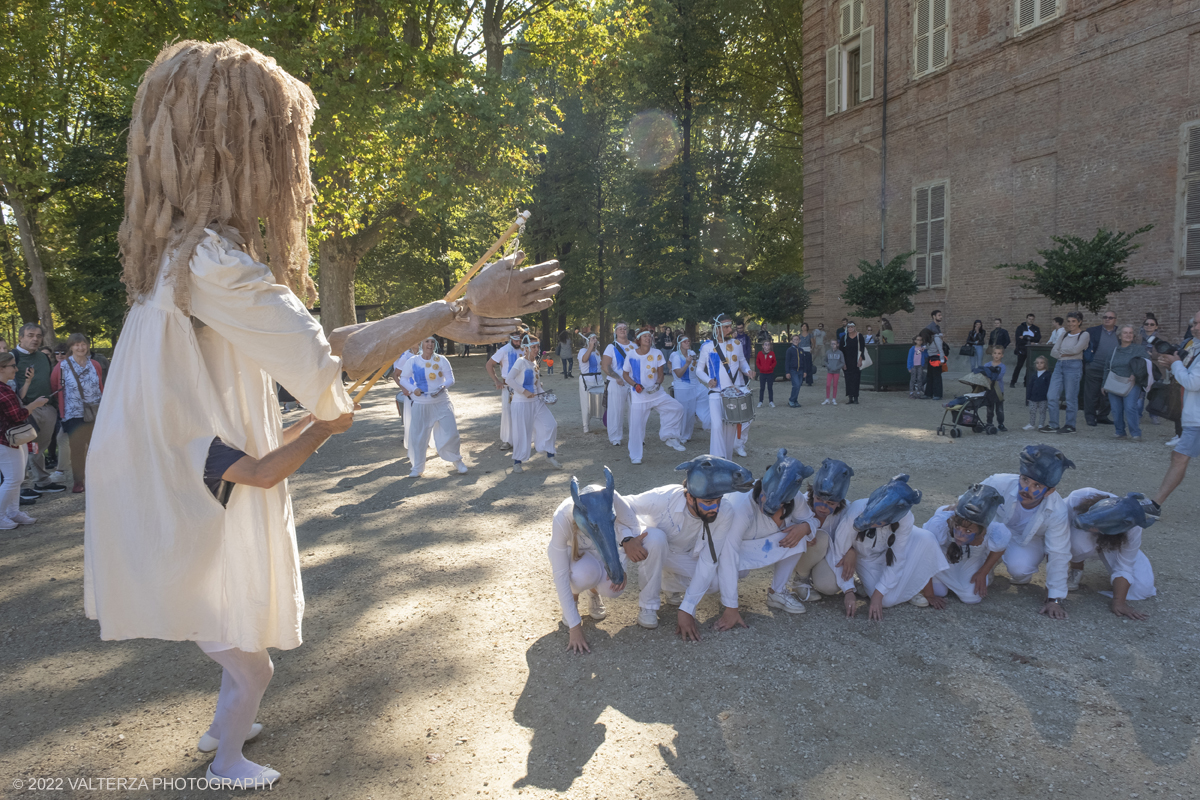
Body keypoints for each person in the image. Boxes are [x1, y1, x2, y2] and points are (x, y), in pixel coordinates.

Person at [86, 41, 561, 790]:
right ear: (242, 149)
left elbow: (322, 345)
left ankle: (228, 722)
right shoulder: (217, 265)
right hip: (175, 474)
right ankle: (230, 750)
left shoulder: (186, 259)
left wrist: (435, 320)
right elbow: (325, 363)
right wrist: (459, 305)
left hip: (158, 467)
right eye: (278, 144)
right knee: (236, 627)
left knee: (230, 609)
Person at [621, 455, 755, 640]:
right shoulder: (664, 497)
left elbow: (709, 560)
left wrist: (687, 608)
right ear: (690, 497)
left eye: (718, 500)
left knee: (715, 582)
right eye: (708, 502)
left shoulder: (724, 511)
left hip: (682, 554)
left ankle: (668, 584)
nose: (714, 508)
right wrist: (626, 538)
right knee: (656, 538)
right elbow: (623, 504)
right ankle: (648, 605)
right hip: (653, 547)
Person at [549, 467, 651, 652]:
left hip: (602, 551)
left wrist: (620, 564)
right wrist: (575, 627)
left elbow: (632, 527)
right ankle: (574, 599)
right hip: (577, 557)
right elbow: (560, 573)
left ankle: (594, 594)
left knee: (614, 590)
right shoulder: (562, 517)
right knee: (583, 575)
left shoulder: (613, 498)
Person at [826, 474, 949, 620]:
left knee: (927, 539)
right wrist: (848, 590)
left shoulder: (905, 517)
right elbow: (838, 552)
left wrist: (878, 595)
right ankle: (909, 587)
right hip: (866, 557)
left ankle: (912, 587)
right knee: (887, 600)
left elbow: (897, 558)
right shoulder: (856, 510)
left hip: (887, 552)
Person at [983, 444, 1076, 619]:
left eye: (1037, 485)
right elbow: (966, 506)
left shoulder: (1058, 511)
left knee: (1020, 569)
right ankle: (987, 565)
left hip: (1027, 540)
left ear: (1050, 491)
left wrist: (1054, 599)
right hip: (993, 532)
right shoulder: (998, 482)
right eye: (1025, 480)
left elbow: (1059, 552)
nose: (1027, 489)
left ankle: (1018, 571)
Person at [1065, 490, 1156, 620]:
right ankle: (1076, 567)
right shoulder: (1078, 497)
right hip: (1077, 535)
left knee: (1142, 588)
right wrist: (1052, 595)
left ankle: (1101, 546)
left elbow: (1125, 566)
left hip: (1112, 541)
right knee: (1080, 545)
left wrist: (1119, 602)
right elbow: (1054, 535)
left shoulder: (1133, 525)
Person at [1147, 309, 1200, 516]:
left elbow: (1192, 382)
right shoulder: (1194, 346)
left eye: (1197, 324)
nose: (1194, 327)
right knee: (1179, 456)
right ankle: (1155, 505)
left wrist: (1175, 363)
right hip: (1195, 417)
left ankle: (1155, 505)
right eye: (1194, 323)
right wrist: (1171, 363)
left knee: (1179, 457)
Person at [924, 484, 1009, 605]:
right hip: (942, 560)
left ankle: (985, 573)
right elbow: (926, 558)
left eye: (968, 531)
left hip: (971, 560)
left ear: (983, 530)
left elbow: (1000, 547)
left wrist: (983, 571)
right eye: (957, 527)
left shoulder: (994, 531)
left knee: (971, 598)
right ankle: (945, 509)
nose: (959, 535)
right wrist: (929, 595)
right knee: (939, 592)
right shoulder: (939, 526)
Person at [399, 336, 468, 478]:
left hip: (442, 401)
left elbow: (450, 379)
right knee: (419, 436)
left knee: (451, 432)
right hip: (421, 403)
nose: (429, 344)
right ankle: (418, 467)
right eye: (426, 341)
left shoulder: (441, 359)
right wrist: (413, 389)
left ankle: (456, 460)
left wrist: (442, 386)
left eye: (432, 342)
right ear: (421, 344)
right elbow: (403, 379)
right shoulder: (412, 361)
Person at [789, 458, 855, 601]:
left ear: (840, 502)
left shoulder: (847, 511)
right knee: (820, 537)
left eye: (831, 503)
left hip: (827, 555)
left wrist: (852, 551)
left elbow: (855, 536)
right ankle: (800, 579)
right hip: (800, 554)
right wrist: (802, 536)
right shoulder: (800, 504)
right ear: (813, 493)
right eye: (819, 499)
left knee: (830, 587)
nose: (823, 507)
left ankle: (813, 575)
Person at [13, 323, 64, 496]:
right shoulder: (12, 357)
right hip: (26, 410)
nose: (35, 339)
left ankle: (42, 482)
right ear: (21, 337)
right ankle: (21, 486)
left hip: (47, 408)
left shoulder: (43, 358)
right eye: (30, 335)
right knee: (24, 449)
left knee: (39, 448)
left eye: (38, 336)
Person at [49, 333, 104, 493]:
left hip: (95, 412)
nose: (80, 348)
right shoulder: (62, 367)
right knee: (77, 449)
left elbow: (100, 384)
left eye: (83, 344)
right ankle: (79, 481)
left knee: (97, 447)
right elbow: (54, 386)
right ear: (71, 347)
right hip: (73, 414)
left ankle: (99, 478)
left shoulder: (95, 364)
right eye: (76, 345)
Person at [623, 328, 686, 464]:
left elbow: (661, 373)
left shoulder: (657, 353)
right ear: (639, 339)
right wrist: (635, 385)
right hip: (639, 396)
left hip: (657, 393)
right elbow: (625, 375)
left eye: (650, 336)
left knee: (677, 408)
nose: (648, 338)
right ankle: (635, 455)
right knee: (636, 426)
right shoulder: (631, 355)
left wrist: (657, 384)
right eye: (645, 336)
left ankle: (669, 436)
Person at [0, 351, 48, 527]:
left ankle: (12, 512)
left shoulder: (5, 387)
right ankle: (1, 515)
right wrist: (35, 404)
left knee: (16, 479)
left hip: (13, 439)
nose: (16, 368)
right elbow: (17, 415)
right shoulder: (2, 390)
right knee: (13, 479)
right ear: (2, 368)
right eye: (13, 365)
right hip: (5, 440)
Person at [697, 315, 753, 459]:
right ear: (717, 328)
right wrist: (708, 380)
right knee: (716, 427)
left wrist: (748, 371)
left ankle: (727, 459)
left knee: (730, 428)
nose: (730, 329)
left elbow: (742, 362)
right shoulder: (707, 347)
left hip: (733, 393)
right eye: (726, 327)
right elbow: (699, 370)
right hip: (715, 392)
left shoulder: (736, 344)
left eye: (730, 326)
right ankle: (717, 459)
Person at [505, 335, 562, 473]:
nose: (537, 349)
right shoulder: (520, 362)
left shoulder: (535, 364)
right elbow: (509, 379)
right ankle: (517, 461)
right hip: (521, 403)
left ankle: (549, 454)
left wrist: (546, 397)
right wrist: (524, 391)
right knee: (522, 433)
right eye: (533, 347)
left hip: (536, 402)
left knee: (551, 424)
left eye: (538, 346)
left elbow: (537, 386)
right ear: (526, 348)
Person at [1102, 324, 1152, 442]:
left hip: (1132, 383)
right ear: (1119, 335)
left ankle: (1135, 433)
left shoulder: (1138, 349)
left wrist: (1136, 373)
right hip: (1114, 382)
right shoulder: (1114, 350)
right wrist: (1103, 384)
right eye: (1125, 332)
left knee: (1130, 408)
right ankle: (1120, 432)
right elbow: (1107, 367)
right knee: (1115, 409)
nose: (1128, 335)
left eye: (1130, 333)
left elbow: (1147, 363)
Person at [1042, 311, 1089, 433]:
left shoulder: (1084, 335)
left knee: (1070, 397)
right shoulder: (1064, 335)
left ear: (1080, 322)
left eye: (1074, 321)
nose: (1071, 324)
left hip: (1074, 366)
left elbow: (1077, 349)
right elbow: (1053, 351)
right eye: (1068, 321)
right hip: (1059, 366)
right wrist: (1066, 352)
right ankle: (1053, 424)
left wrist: (1062, 352)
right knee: (1051, 395)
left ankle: (1070, 425)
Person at [486, 331, 524, 452]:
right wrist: (497, 381)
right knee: (507, 412)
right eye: (515, 340)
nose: (517, 343)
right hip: (508, 387)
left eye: (519, 340)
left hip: (522, 387)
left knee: (522, 412)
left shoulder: (524, 349)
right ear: (511, 339)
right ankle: (507, 440)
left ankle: (521, 438)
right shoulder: (504, 350)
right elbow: (489, 365)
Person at [602, 322, 636, 447]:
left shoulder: (633, 346)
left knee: (635, 410)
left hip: (632, 383)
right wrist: (617, 377)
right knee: (616, 410)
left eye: (624, 328)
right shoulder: (611, 347)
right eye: (619, 328)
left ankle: (636, 436)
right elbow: (605, 365)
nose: (622, 330)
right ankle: (615, 437)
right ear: (615, 331)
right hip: (617, 382)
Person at [1083, 310, 1119, 426]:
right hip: (1094, 366)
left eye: (1110, 317)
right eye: (1105, 317)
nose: (1107, 319)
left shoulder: (1120, 332)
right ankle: (1090, 416)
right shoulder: (1092, 331)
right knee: (1091, 394)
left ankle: (1102, 416)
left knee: (1108, 394)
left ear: (1115, 320)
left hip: (1112, 369)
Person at [669, 335, 702, 443]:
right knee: (683, 411)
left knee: (691, 411)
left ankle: (687, 435)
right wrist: (673, 369)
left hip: (692, 385)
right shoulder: (676, 356)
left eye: (689, 341)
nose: (688, 343)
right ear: (679, 344)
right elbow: (678, 374)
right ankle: (679, 434)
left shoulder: (692, 353)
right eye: (685, 342)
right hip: (681, 386)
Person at [975, 345, 1007, 432]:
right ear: (992, 354)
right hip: (989, 390)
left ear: (1002, 355)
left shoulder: (1002, 366)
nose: (996, 355)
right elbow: (984, 375)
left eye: (999, 353)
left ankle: (1001, 424)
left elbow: (998, 376)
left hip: (999, 390)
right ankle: (989, 423)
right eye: (995, 353)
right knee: (990, 408)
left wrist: (989, 375)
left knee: (999, 409)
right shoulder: (987, 365)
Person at [392, 343, 419, 448]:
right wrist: (403, 388)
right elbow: (395, 375)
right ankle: (414, 443)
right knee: (413, 418)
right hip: (411, 393)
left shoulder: (424, 355)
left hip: (423, 392)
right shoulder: (406, 357)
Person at [577, 334, 603, 434]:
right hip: (586, 380)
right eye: (593, 338)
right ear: (587, 340)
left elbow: (600, 364)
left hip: (598, 379)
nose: (596, 340)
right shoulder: (582, 351)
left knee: (602, 401)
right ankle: (586, 426)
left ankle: (606, 421)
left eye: (596, 338)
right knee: (586, 404)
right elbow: (584, 359)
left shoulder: (596, 352)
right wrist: (590, 347)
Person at [921, 310, 946, 400]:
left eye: (941, 315)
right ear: (934, 317)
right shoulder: (931, 328)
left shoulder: (936, 328)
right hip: (933, 355)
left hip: (935, 355)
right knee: (932, 375)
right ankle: (931, 393)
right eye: (939, 315)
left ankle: (935, 394)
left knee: (934, 375)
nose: (941, 316)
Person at [1011, 314, 1042, 387]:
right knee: (1019, 366)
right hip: (1022, 349)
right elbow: (1018, 339)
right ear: (1026, 319)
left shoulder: (1036, 329)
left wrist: (1025, 337)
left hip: (1031, 350)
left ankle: (1026, 382)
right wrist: (1030, 340)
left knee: (1029, 367)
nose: (1030, 320)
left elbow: (1037, 339)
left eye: (1032, 319)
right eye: (1029, 319)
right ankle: (1013, 382)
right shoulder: (1020, 328)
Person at [1023, 356, 1051, 431]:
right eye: (1037, 363)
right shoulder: (1034, 375)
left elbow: (1049, 387)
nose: (1039, 364)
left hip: (1043, 397)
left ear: (1045, 364)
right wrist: (1028, 397)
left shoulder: (1048, 375)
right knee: (1032, 411)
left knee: (1042, 411)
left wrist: (1048, 397)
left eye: (1041, 363)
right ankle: (1031, 424)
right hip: (1033, 397)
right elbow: (1030, 386)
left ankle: (1041, 424)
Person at [841, 321, 865, 404]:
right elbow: (841, 351)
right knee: (848, 379)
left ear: (854, 327)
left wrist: (860, 359)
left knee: (856, 379)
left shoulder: (859, 336)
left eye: (851, 327)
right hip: (847, 361)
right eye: (848, 327)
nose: (850, 328)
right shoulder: (844, 337)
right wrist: (843, 363)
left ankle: (856, 397)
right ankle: (850, 397)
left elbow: (862, 348)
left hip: (856, 360)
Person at [756, 337, 777, 408]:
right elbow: (757, 362)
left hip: (770, 373)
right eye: (765, 344)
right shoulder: (759, 353)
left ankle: (771, 401)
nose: (767, 346)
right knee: (762, 388)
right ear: (763, 346)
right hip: (762, 373)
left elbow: (774, 362)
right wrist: (760, 368)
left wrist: (771, 367)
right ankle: (760, 401)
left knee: (770, 388)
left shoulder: (772, 353)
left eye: (768, 344)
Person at [823, 338, 844, 405]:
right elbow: (824, 361)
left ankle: (834, 399)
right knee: (828, 385)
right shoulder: (828, 352)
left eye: (834, 344)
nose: (833, 345)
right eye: (832, 344)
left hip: (836, 372)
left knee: (835, 385)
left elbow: (842, 362)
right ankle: (827, 399)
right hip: (829, 371)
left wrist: (837, 367)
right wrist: (828, 366)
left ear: (837, 344)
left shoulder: (840, 353)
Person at [784, 334, 803, 408]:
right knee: (796, 385)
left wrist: (804, 371)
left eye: (797, 339)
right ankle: (791, 400)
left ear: (799, 341)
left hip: (800, 370)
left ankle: (795, 400)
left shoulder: (801, 350)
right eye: (794, 340)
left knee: (798, 386)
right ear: (791, 341)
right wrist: (787, 372)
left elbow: (803, 361)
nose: (796, 341)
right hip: (793, 370)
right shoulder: (789, 350)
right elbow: (787, 361)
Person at [907, 335, 927, 399]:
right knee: (913, 379)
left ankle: (918, 392)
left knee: (919, 379)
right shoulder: (912, 349)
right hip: (913, 365)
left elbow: (926, 356)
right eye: (918, 340)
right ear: (915, 341)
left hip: (920, 365)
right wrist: (909, 367)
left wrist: (924, 351)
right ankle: (911, 392)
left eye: (920, 340)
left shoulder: (923, 348)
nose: (919, 341)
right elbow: (910, 358)